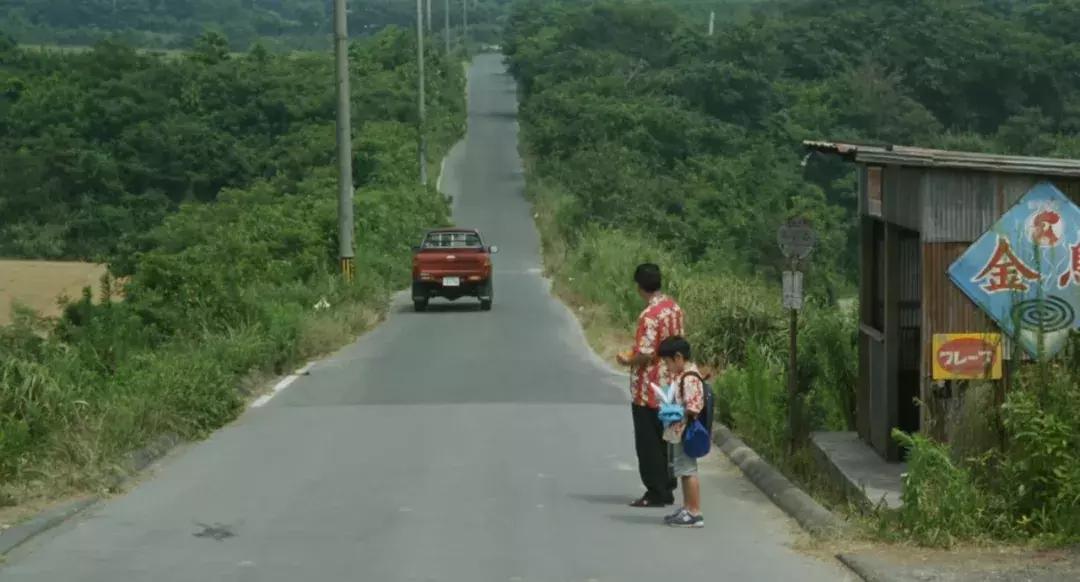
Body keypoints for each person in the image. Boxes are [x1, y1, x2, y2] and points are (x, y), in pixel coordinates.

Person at [616, 263, 684, 508]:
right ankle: (668, 484)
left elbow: (645, 353)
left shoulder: (649, 315)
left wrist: (627, 360)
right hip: (672, 382)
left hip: (649, 387)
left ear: (639, 287)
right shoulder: (673, 308)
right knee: (667, 437)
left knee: (649, 442)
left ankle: (656, 491)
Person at [657, 336, 705, 528]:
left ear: (678, 357)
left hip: (686, 431)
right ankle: (687, 508)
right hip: (679, 431)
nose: (667, 367)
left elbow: (694, 406)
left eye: (667, 362)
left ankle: (694, 511)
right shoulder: (684, 376)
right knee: (683, 470)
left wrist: (677, 411)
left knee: (688, 471)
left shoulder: (690, 378)